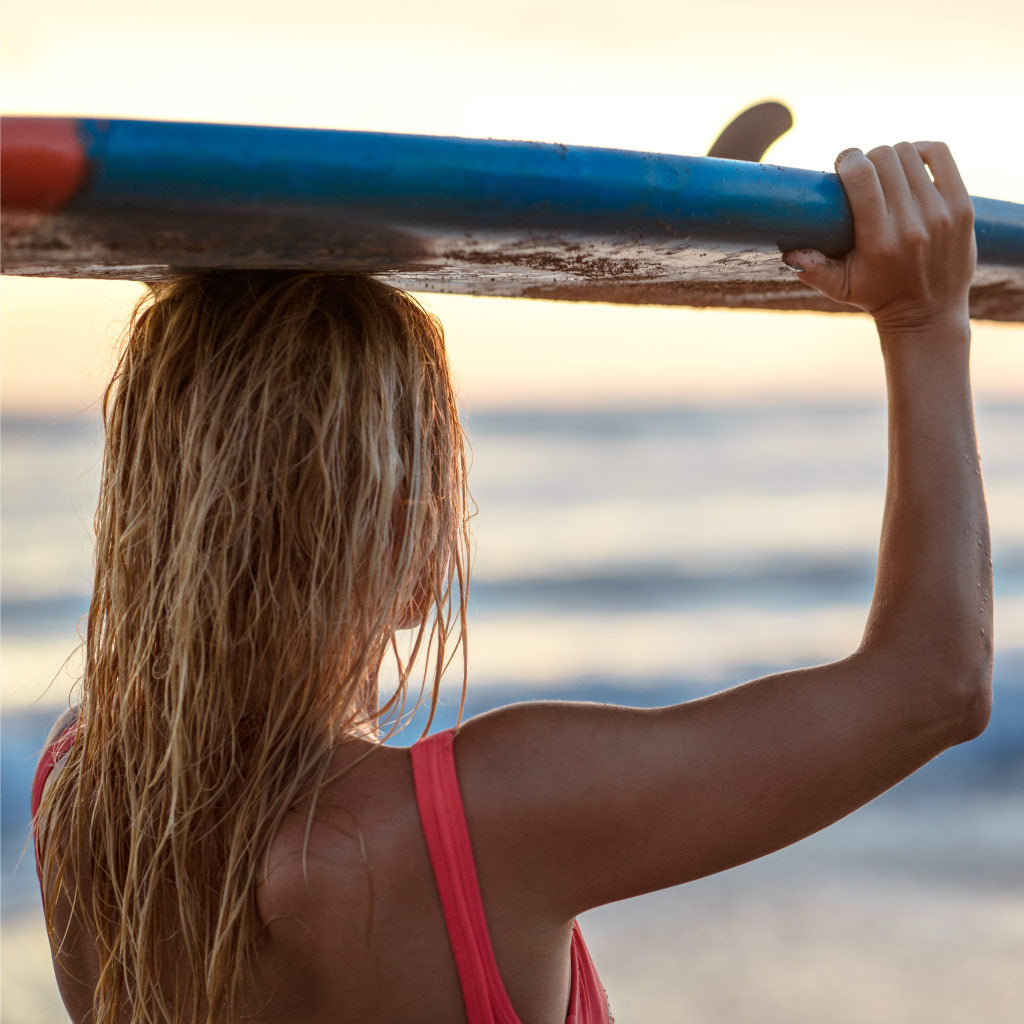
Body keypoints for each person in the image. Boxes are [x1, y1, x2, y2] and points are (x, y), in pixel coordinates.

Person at [32, 141, 992, 1024]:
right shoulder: (490, 822)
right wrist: (924, 323)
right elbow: (930, 684)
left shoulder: (76, 801)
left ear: (144, 511)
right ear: (405, 539)